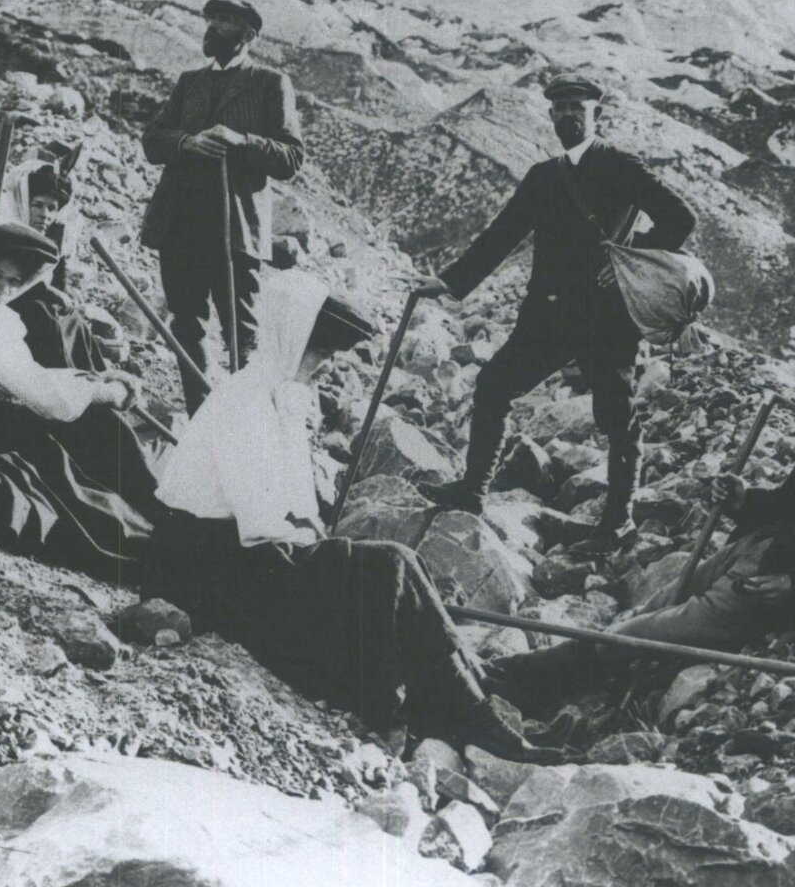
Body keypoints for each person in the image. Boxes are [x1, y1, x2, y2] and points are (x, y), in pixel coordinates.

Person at [136, 273, 563, 763]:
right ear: (288, 340)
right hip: (203, 567)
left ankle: (472, 689)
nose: (324, 366)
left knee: (398, 565)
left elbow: (287, 508)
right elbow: (261, 520)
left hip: (236, 550)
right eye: (318, 353)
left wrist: (310, 533)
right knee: (387, 565)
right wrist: (314, 538)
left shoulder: (274, 390)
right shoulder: (244, 401)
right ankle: (472, 711)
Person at [483, 362, 795, 718]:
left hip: (757, 595)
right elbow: (788, 506)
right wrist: (743, 499)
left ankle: (518, 679)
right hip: (750, 555)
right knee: (645, 612)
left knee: (638, 634)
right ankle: (538, 682)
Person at [414, 75, 697, 543]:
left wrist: (629, 258)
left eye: (577, 108)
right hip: (548, 315)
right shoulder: (544, 176)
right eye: (560, 108)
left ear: (596, 116)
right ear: (550, 116)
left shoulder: (620, 166)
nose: (567, 116)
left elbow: (681, 217)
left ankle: (617, 521)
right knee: (494, 385)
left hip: (608, 318)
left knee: (618, 418)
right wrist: (450, 281)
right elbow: (502, 234)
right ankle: (473, 491)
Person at [0, 215, 159, 578]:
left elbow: (31, 376)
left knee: (96, 428)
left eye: (13, 281)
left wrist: (96, 381)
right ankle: (145, 531)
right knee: (68, 474)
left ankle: (152, 511)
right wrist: (105, 391)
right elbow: (44, 396)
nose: (3, 289)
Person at [140, 0, 304, 411]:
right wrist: (187, 142)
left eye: (225, 20)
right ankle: (200, 414)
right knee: (186, 325)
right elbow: (152, 140)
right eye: (210, 18)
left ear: (248, 34)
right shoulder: (189, 82)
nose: (212, 27)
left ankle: (245, 417)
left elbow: (291, 158)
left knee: (241, 332)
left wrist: (242, 142)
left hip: (234, 230)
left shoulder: (270, 83)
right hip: (179, 224)